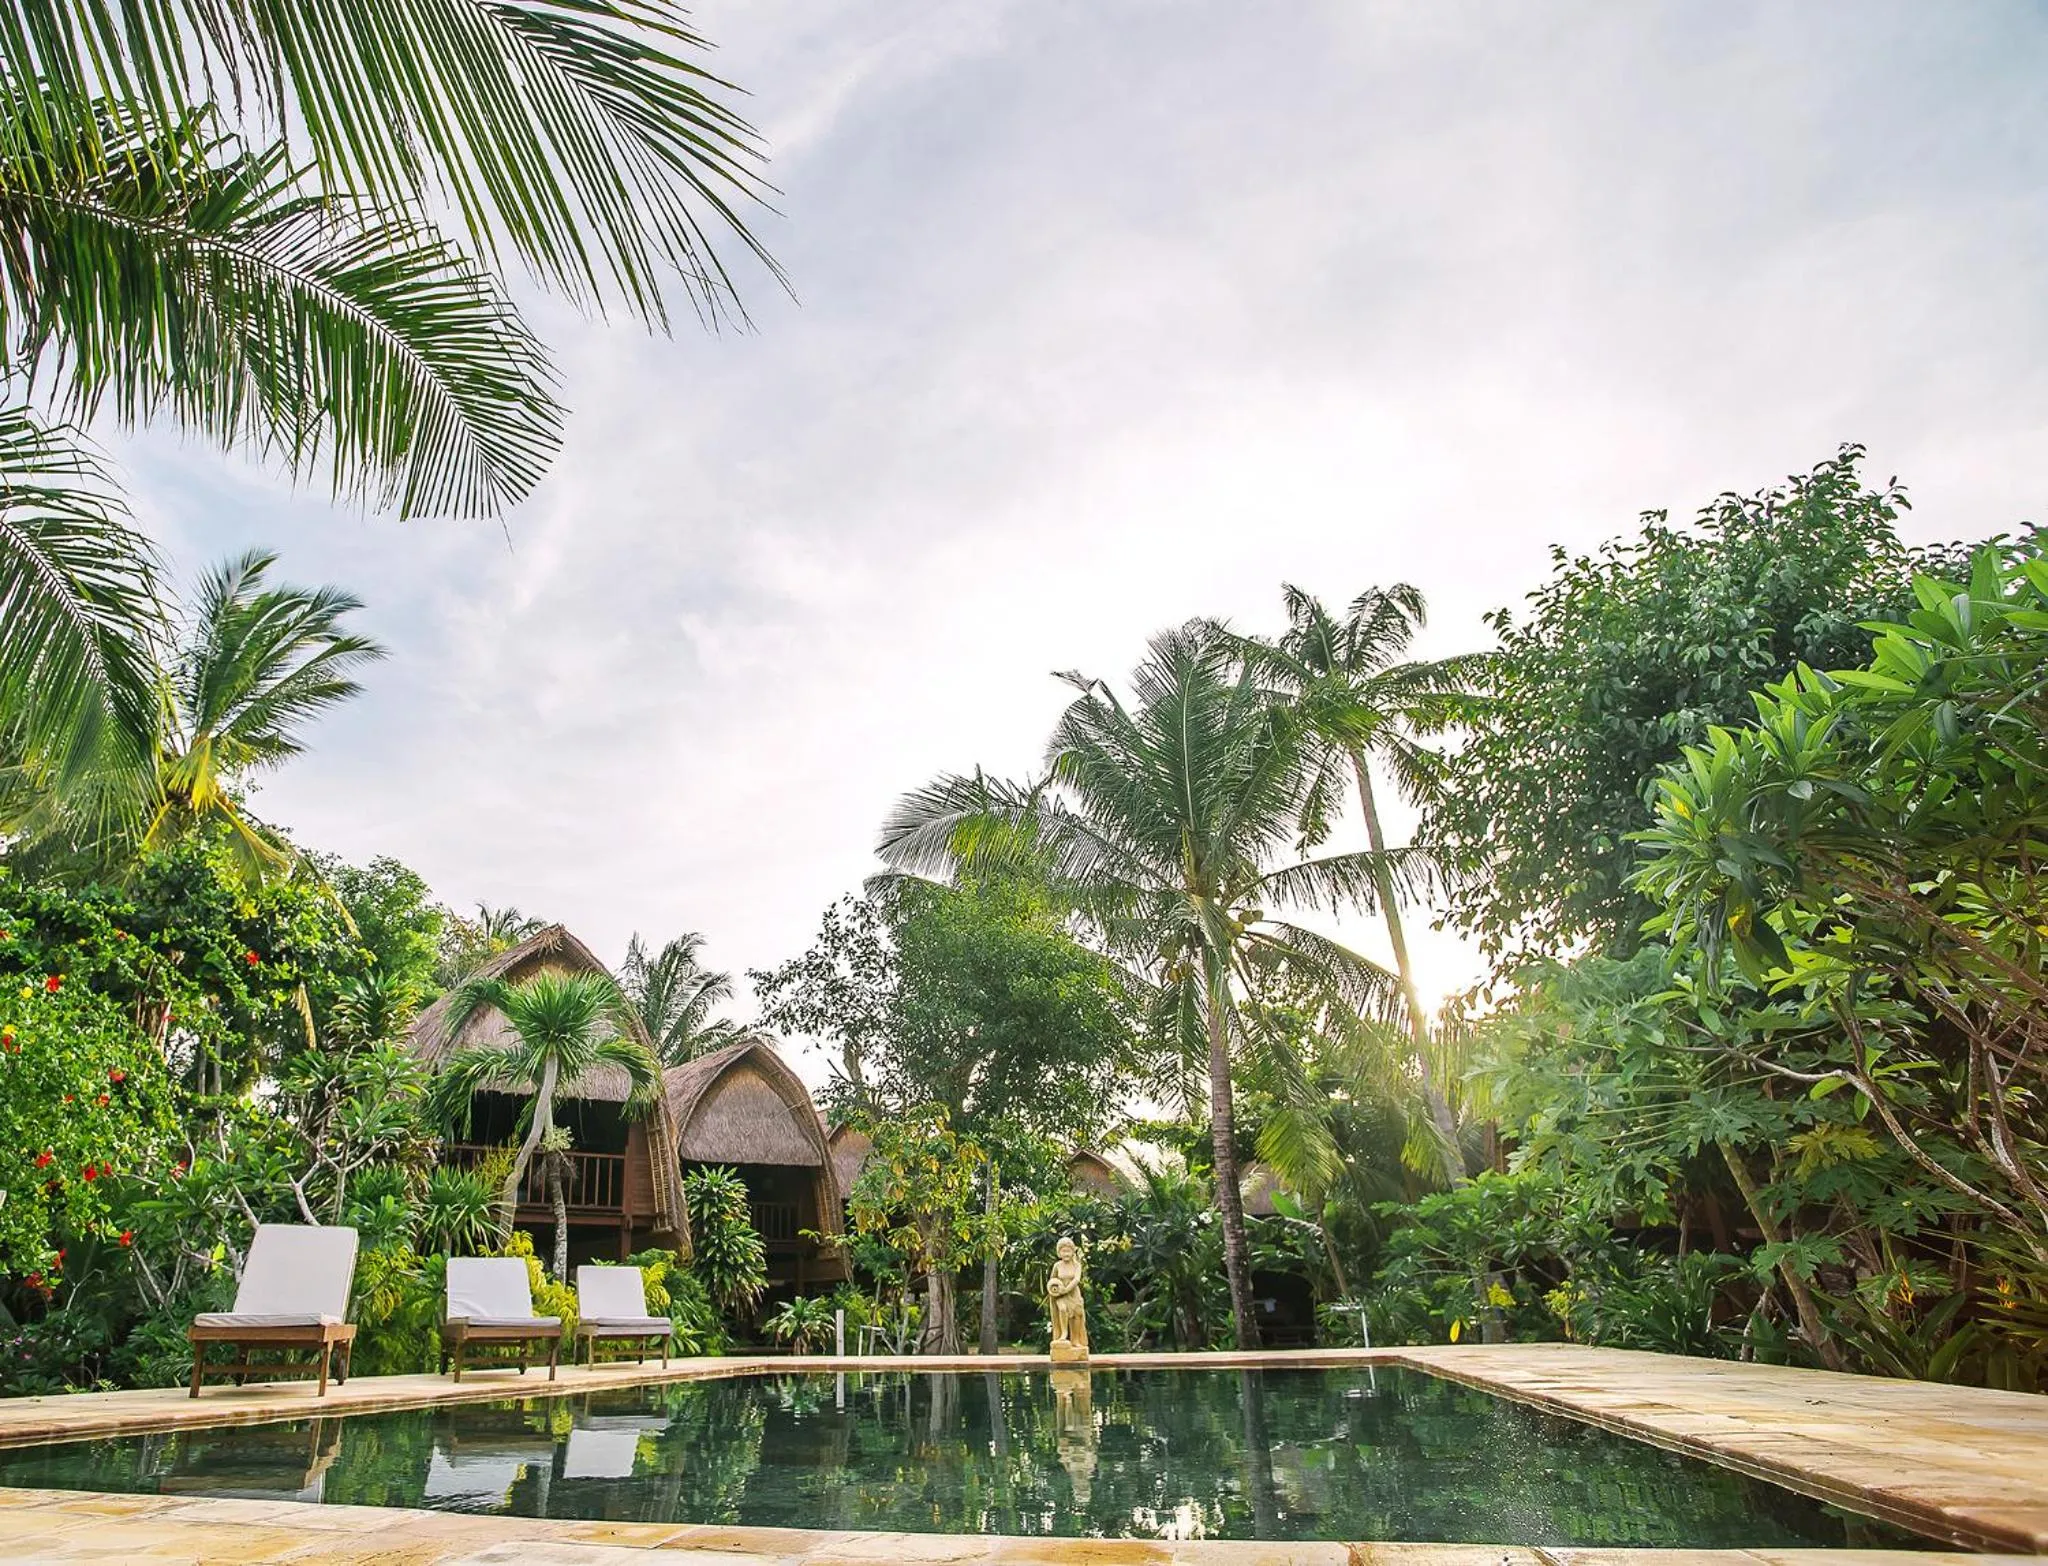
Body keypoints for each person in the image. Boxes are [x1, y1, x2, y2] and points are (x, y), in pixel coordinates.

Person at [1047, 1236, 1088, 1353]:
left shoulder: (1077, 1265)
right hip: (1060, 1295)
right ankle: (1063, 1333)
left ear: (1073, 1251)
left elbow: (1076, 1280)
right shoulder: (1057, 1266)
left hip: (1073, 1294)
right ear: (1059, 1252)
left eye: (1068, 1251)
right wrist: (1055, 1290)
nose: (1066, 1253)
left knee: (1077, 1315)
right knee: (1063, 1309)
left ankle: (1075, 1340)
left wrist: (1067, 1289)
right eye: (1063, 1251)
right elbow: (1052, 1280)